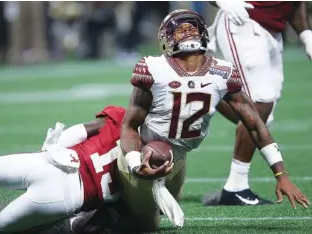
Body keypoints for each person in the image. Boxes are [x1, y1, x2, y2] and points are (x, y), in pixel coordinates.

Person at [112, 8, 310, 232]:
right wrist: (137, 164)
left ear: (203, 33)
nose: (187, 32)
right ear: (167, 38)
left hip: (176, 163)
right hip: (144, 153)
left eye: (191, 27)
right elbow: (130, 126)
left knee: (158, 217)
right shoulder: (153, 68)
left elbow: (254, 125)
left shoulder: (222, 72)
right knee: (143, 224)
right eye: (179, 29)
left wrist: (281, 174)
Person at [0, 106, 126, 234]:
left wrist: (53, 147)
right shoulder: (147, 168)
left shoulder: (123, 117)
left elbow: (78, 132)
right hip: (66, 196)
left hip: (49, 163)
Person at [203, 1, 312, 206]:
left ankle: (208, 91)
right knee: (260, 102)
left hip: (274, 30)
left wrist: (306, 35)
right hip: (244, 21)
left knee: (262, 115)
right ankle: (235, 187)